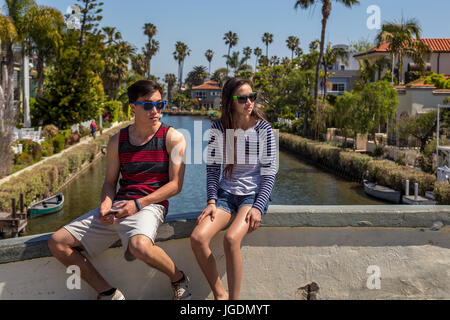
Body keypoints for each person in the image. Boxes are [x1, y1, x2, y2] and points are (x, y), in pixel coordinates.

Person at [48, 80, 191, 300]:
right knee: (58, 242)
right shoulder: (118, 141)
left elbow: (175, 185)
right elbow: (109, 182)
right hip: (119, 206)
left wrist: (137, 205)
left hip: (150, 206)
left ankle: (178, 278)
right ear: (133, 107)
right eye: (147, 105)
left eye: (159, 105)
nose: (155, 111)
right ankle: (108, 293)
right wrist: (106, 205)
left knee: (139, 246)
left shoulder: (173, 138)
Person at [190, 77, 278, 300]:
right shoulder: (219, 128)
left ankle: (233, 303)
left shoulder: (264, 130)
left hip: (252, 196)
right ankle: (220, 294)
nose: (249, 102)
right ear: (230, 102)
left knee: (230, 239)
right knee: (198, 238)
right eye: (243, 98)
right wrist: (211, 201)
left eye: (252, 97)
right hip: (226, 196)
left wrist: (258, 207)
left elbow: (269, 174)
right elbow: (212, 169)